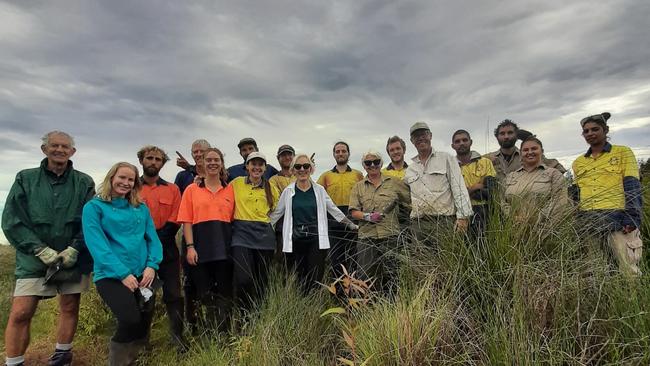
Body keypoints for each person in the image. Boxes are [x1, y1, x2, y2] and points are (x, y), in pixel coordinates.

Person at [2, 131, 95, 366]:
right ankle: (14, 361)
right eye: (54, 146)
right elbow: (12, 220)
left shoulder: (84, 182)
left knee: (70, 305)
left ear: (72, 152)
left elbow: (90, 220)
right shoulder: (26, 178)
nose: (60, 150)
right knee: (22, 311)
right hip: (33, 258)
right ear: (44, 149)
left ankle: (62, 355)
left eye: (65, 147)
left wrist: (75, 248)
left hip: (70, 256)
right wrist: (39, 249)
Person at [82, 162, 162, 366]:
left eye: (131, 179)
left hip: (144, 274)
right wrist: (122, 274)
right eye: (122, 178)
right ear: (111, 178)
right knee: (129, 319)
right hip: (111, 275)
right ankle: (118, 362)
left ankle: (136, 359)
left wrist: (152, 266)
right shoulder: (94, 207)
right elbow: (97, 246)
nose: (125, 183)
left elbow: (153, 239)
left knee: (144, 321)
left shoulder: (140, 208)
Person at [270, 154, 357, 292]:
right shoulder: (288, 191)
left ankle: (314, 306)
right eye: (298, 166)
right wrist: (265, 226)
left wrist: (350, 224)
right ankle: (302, 307)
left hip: (316, 240)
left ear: (311, 169)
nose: (302, 169)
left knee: (315, 277)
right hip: (295, 240)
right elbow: (277, 214)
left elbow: (333, 210)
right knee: (299, 278)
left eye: (306, 166)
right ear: (293, 170)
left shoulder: (319, 190)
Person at [572, 112, 643, 275]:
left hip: (620, 219)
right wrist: (579, 221)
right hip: (590, 221)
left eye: (594, 129)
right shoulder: (579, 162)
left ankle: (633, 299)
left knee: (629, 269)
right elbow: (576, 194)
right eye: (586, 131)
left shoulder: (622, 152)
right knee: (596, 271)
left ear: (606, 130)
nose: (590, 133)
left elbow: (632, 185)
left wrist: (633, 217)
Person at [177, 148, 235, 329]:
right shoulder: (191, 189)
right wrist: (190, 247)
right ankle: (208, 331)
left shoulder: (230, 189)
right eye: (208, 160)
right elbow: (186, 220)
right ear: (202, 163)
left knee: (224, 292)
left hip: (224, 249)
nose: (212, 163)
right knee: (204, 292)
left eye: (216, 159)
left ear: (221, 163)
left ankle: (224, 331)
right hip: (200, 249)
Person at [137, 145, 186, 351]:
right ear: (141, 160)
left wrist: (158, 239)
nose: (153, 162)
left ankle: (177, 338)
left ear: (163, 163)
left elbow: (176, 217)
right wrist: (148, 240)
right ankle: (142, 341)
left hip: (167, 249)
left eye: (158, 159)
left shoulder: (172, 189)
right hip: (139, 251)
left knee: (174, 294)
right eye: (150, 158)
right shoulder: (132, 187)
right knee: (145, 296)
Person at [349, 151, 411, 291]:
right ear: (364, 166)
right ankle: (368, 308)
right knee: (365, 276)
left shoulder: (394, 183)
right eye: (368, 163)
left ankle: (392, 308)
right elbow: (353, 212)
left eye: (376, 162)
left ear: (381, 164)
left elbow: (410, 201)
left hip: (390, 237)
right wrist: (368, 216)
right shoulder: (358, 186)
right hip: (367, 237)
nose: (372, 165)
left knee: (392, 274)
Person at [404, 122, 473, 245]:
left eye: (423, 134)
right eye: (416, 136)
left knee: (448, 261)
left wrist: (463, 217)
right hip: (418, 225)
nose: (420, 138)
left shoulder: (447, 158)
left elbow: (459, 188)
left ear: (430, 135)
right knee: (420, 262)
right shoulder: (410, 169)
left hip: (444, 222)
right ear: (411, 141)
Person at [229, 152, 279, 307]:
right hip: (241, 235)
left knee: (262, 280)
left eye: (260, 165)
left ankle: (258, 315)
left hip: (264, 236)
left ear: (265, 168)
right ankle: (243, 313)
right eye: (253, 164)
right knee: (244, 278)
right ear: (247, 167)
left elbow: (276, 211)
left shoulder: (271, 187)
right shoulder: (236, 183)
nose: (257, 167)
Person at [317, 141, 363, 282]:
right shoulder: (326, 176)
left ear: (348, 154)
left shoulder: (358, 175)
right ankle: (338, 295)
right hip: (333, 224)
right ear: (334, 154)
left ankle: (355, 294)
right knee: (336, 261)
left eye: (343, 151)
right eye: (338, 151)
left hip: (354, 222)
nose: (341, 153)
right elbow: (318, 197)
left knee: (354, 259)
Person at [503, 137, 570, 231]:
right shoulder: (511, 176)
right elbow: (503, 202)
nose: (530, 152)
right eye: (525, 150)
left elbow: (559, 202)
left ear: (541, 151)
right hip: (514, 231)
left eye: (534, 149)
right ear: (521, 153)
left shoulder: (553, 174)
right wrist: (513, 217)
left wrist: (535, 219)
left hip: (545, 231)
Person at [485, 119, 566, 182]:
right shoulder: (488, 159)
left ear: (516, 136)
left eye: (510, 133)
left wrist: (531, 140)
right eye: (502, 133)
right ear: (497, 137)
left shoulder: (528, 155)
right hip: (497, 202)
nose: (506, 137)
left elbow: (559, 169)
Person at [451, 130, 497, 237]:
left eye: (464, 140)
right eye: (457, 141)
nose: (461, 143)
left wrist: (465, 191)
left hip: (485, 211)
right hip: (460, 214)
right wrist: (475, 187)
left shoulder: (485, 162)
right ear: (453, 146)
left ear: (470, 142)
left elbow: (491, 189)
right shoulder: (450, 167)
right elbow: (451, 194)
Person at [268, 144, 297, 259]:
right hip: (282, 225)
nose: (287, 158)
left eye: (289, 155)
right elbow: (277, 202)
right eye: (283, 155)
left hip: (301, 224)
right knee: (282, 258)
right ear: (278, 158)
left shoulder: (302, 175)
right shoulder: (273, 180)